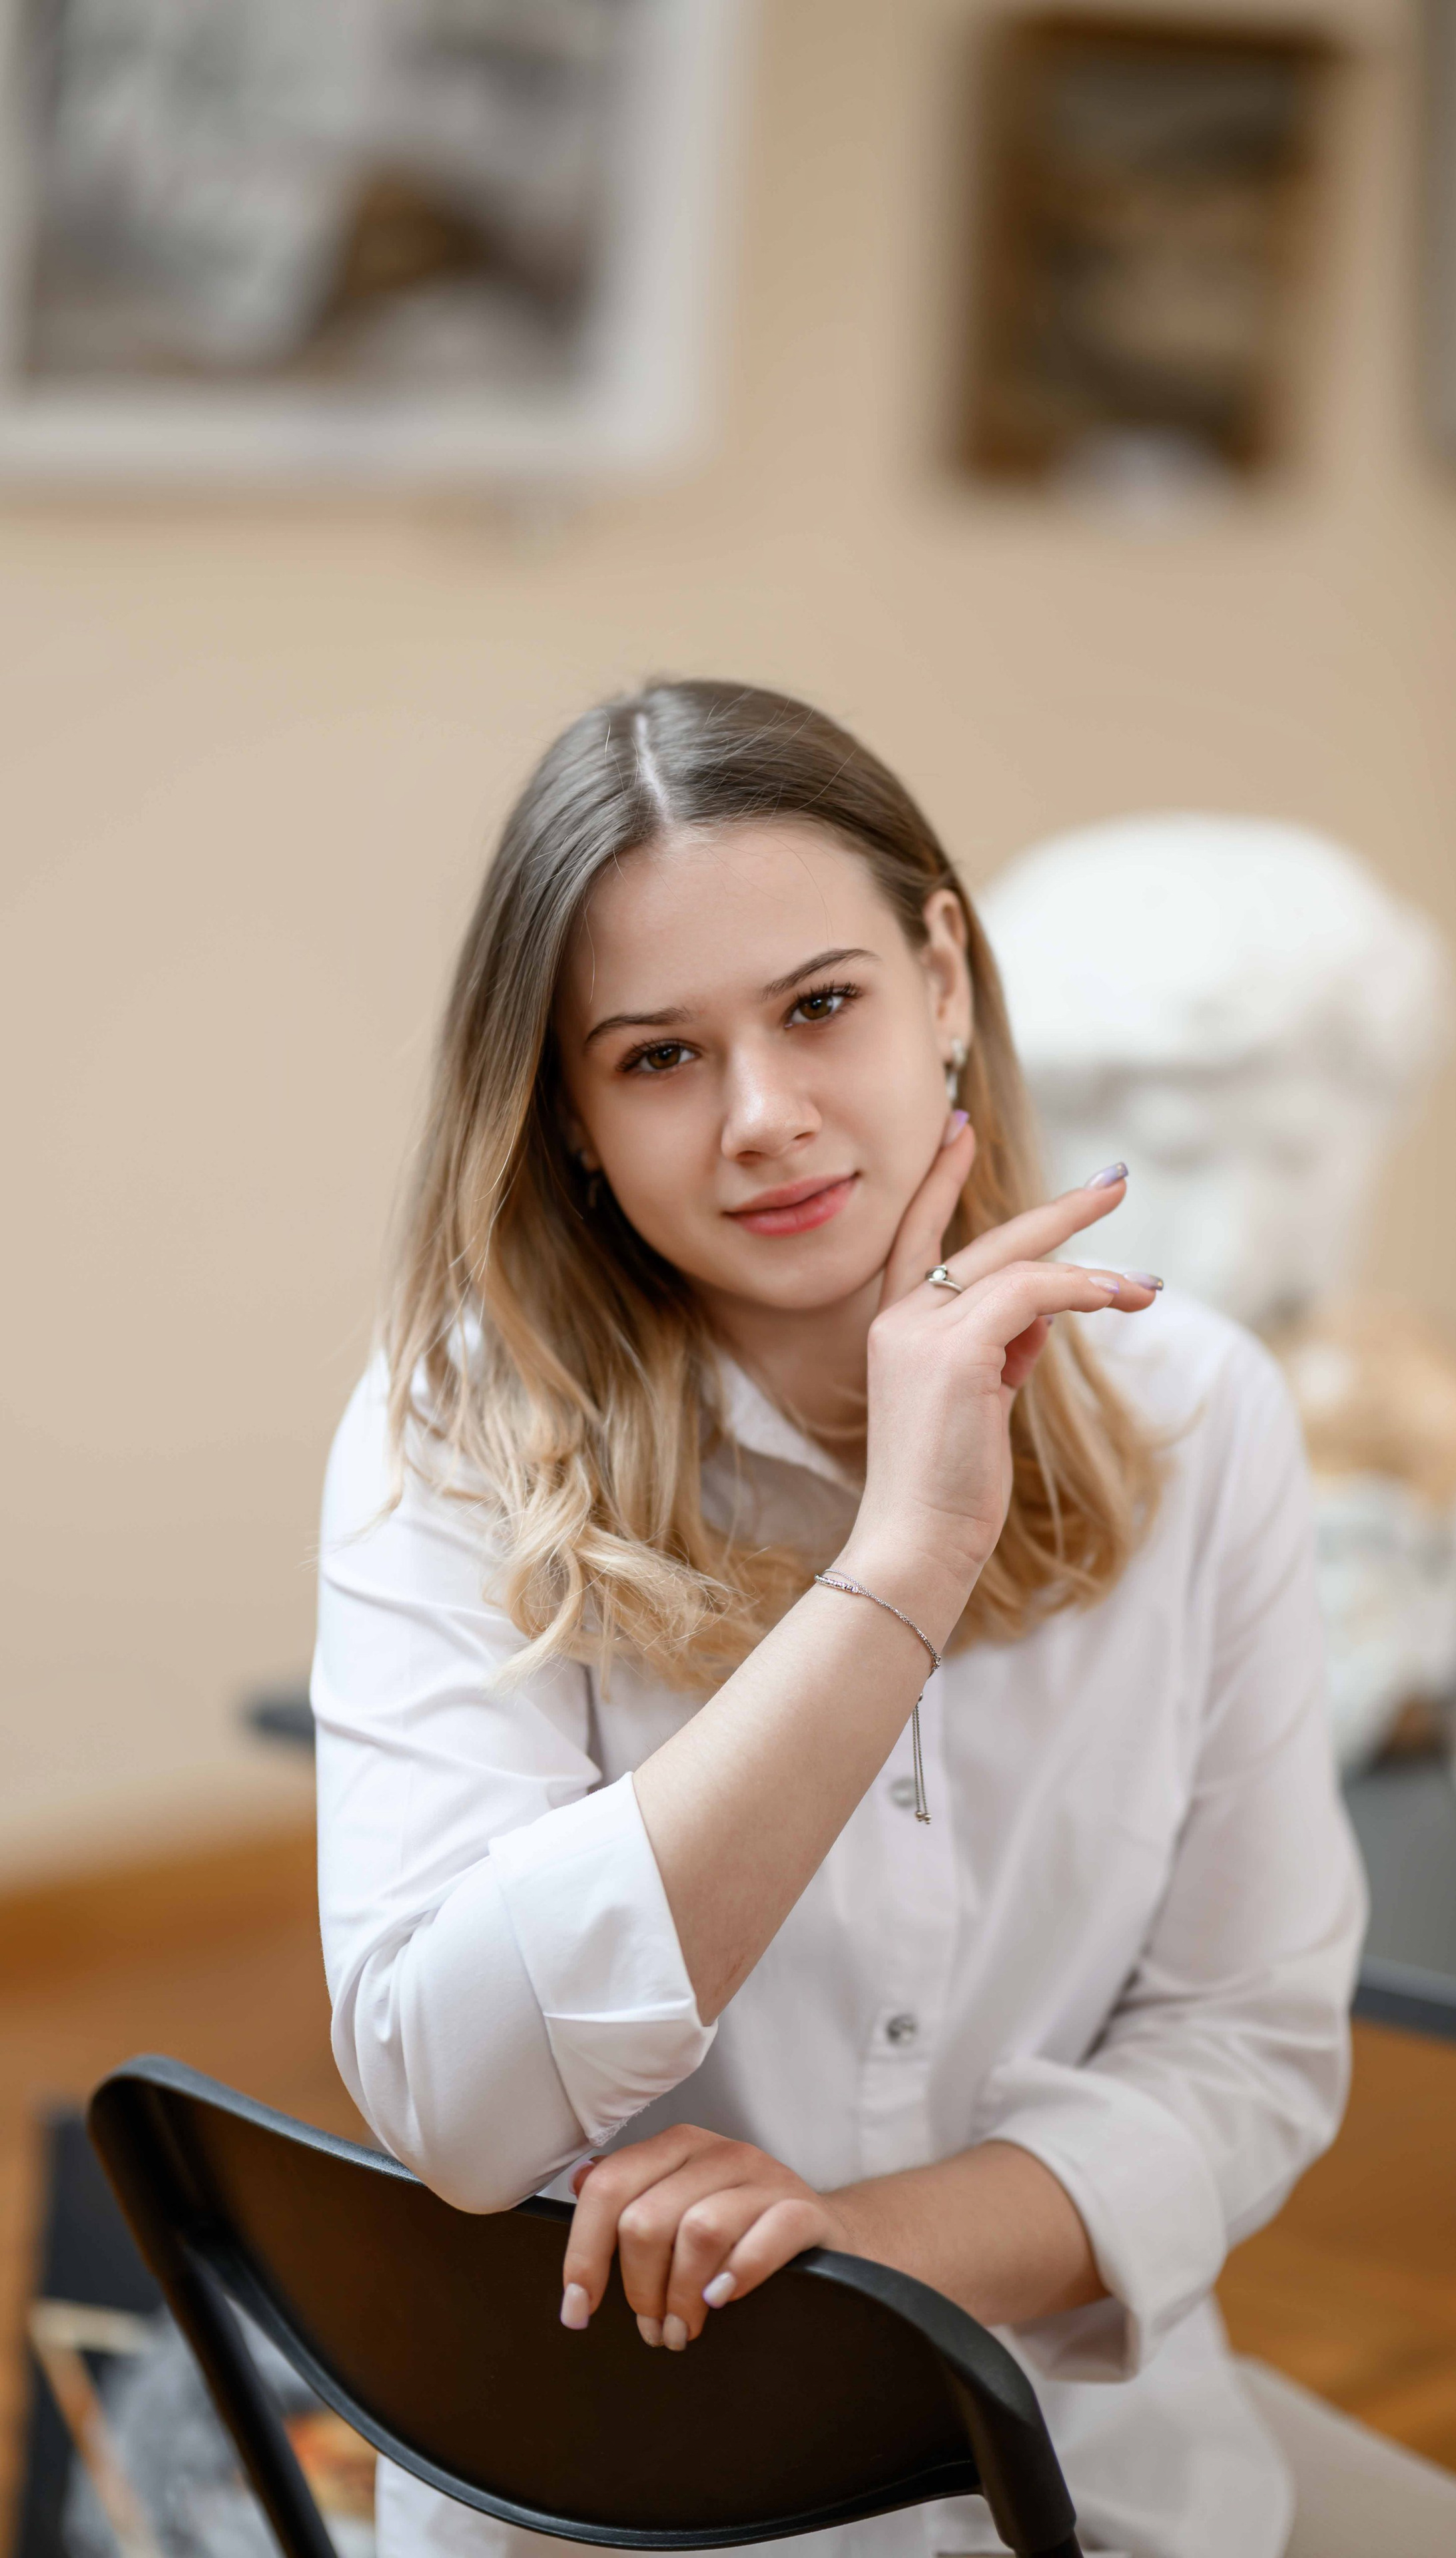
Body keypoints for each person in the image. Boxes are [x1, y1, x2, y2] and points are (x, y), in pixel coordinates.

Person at [312, 679, 1365, 2558]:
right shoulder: (452, 1434)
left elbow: (1248, 2048)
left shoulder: (1200, 1411)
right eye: (656, 1058)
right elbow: (451, 2103)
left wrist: (853, 2250)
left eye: (820, 1007)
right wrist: (901, 1567)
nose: (767, 1121)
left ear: (943, 977)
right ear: (565, 1108)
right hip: (617, 2493)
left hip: (1084, 2478)